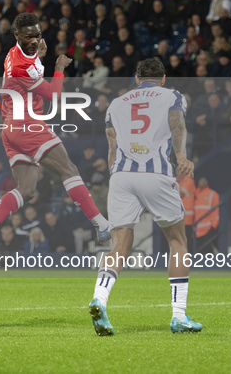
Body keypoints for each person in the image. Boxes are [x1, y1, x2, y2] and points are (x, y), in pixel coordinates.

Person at [0, 13, 111, 259]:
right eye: (29, 37)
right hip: (28, 124)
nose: (34, 40)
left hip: (11, 129)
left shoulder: (16, 54)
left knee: (26, 189)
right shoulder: (21, 65)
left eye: (37, 35)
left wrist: (39, 57)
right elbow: (53, 95)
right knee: (69, 170)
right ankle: (102, 224)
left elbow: (31, 75)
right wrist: (58, 68)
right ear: (17, 35)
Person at [88, 59, 202, 336]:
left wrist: (115, 176)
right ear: (163, 78)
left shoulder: (116, 103)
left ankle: (99, 299)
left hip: (121, 177)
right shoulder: (173, 95)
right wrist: (183, 157)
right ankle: (178, 316)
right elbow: (177, 126)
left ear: (137, 78)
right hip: (157, 174)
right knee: (177, 241)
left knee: (120, 246)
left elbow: (112, 144)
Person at [193, 177, 219, 254]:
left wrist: (214, 226)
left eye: (204, 180)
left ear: (207, 182)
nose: (202, 182)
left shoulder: (212, 194)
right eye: (200, 180)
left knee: (205, 252)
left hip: (207, 229)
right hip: (195, 231)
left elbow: (216, 212)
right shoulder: (194, 194)